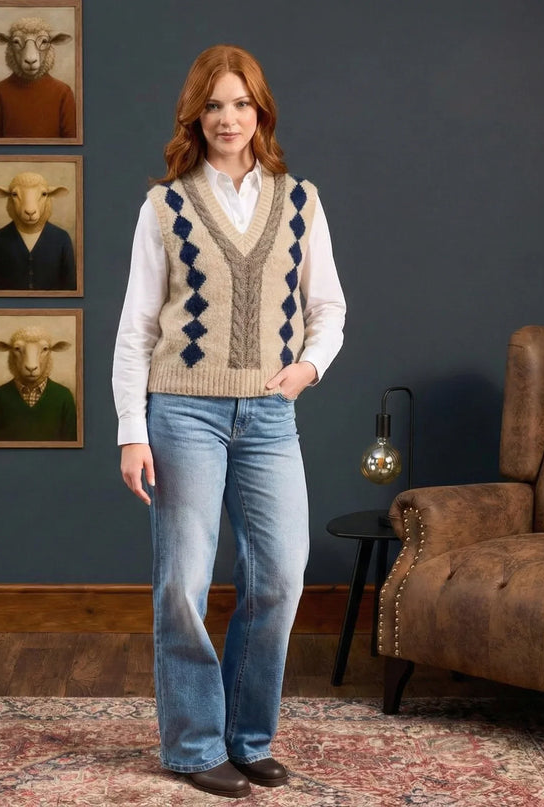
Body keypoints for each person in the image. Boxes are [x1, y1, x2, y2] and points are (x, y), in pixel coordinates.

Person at [112, 44, 346, 799]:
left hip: (271, 416)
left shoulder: (299, 199)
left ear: (261, 112)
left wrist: (307, 367)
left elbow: (328, 309)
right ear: (194, 114)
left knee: (278, 576)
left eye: (241, 104)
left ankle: (246, 739)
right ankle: (191, 744)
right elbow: (135, 327)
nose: (227, 118)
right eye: (213, 105)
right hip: (181, 411)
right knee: (181, 582)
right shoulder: (165, 205)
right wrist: (130, 428)